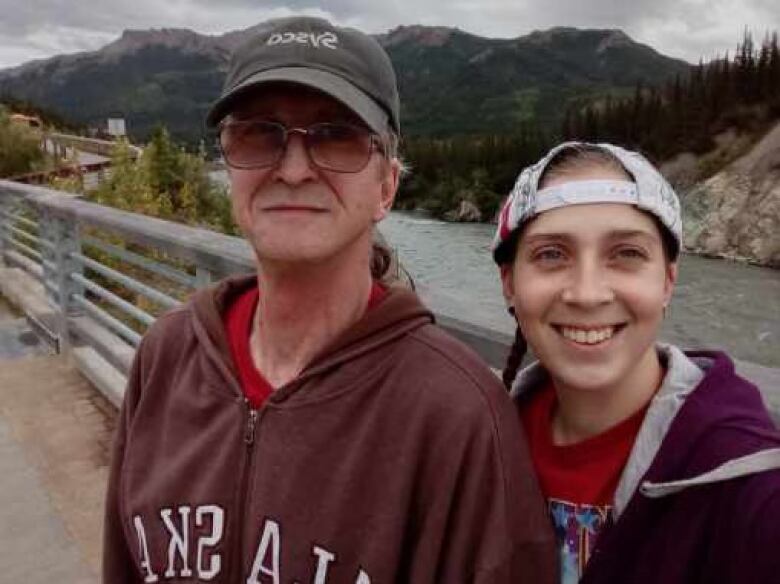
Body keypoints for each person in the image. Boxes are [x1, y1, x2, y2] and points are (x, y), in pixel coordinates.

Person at [102, 16, 556, 583]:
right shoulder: (166, 357)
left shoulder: (456, 415)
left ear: (386, 187)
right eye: (258, 134)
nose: (293, 169)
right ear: (228, 165)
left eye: (336, 136)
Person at [491, 141, 780, 583]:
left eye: (626, 254)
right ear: (509, 284)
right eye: (552, 254)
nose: (587, 294)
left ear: (667, 280)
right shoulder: (479, 445)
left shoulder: (744, 479)